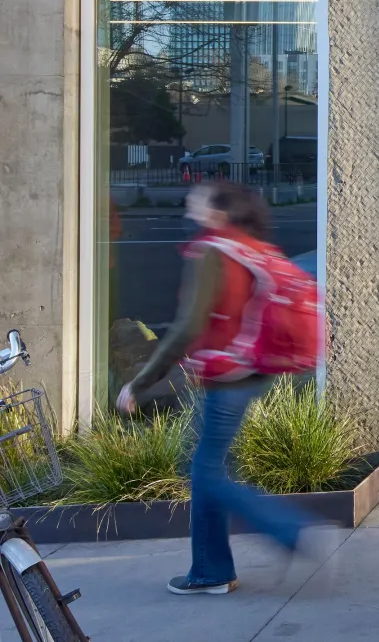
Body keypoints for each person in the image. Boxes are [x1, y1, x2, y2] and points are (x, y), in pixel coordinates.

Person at [118, 181, 307, 595]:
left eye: (199, 199)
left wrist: (141, 380)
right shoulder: (249, 247)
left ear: (218, 213)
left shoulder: (213, 251)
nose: (191, 201)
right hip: (248, 375)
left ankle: (289, 529)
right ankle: (210, 571)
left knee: (205, 473)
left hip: (225, 379)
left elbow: (187, 326)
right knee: (208, 470)